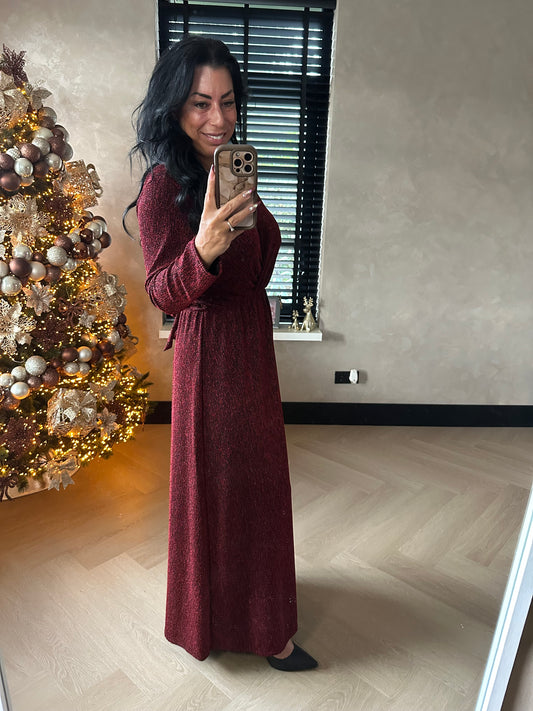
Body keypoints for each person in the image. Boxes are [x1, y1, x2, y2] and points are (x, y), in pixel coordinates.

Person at [126, 36, 317, 672]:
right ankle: (235, 625)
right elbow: (163, 291)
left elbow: (257, 266)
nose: (218, 118)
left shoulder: (233, 171)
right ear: (174, 108)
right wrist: (204, 247)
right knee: (227, 488)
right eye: (201, 103)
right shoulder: (164, 187)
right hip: (210, 356)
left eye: (229, 102)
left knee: (258, 485)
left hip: (251, 345)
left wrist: (246, 224)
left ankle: (261, 616)